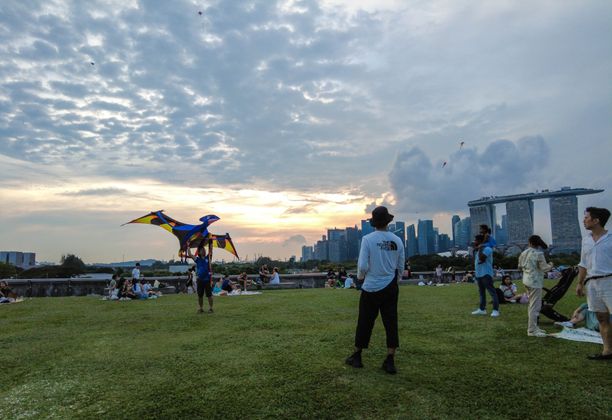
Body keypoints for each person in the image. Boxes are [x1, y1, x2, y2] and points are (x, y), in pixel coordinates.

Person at [345, 206, 405, 375]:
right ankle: (390, 360)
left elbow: (363, 265)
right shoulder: (397, 241)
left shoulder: (368, 239)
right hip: (390, 286)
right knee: (391, 322)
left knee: (365, 321)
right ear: (387, 222)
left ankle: (357, 356)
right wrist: (396, 281)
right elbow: (401, 266)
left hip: (371, 286)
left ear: (374, 222)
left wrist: (361, 277)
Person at [575, 207, 612, 360]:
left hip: (609, 280)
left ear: (596, 220)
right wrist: (579, 283)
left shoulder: (611, 237)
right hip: (592, 284)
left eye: (586, 218)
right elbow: (583, 263)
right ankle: (608, 351)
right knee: (602, 318)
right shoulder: (586, 240)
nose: (584, 220)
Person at [518, 235, 553, 337]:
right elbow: (545, 268)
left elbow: (519, 267)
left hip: (526, 280)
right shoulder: (538, 254)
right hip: (535, 282)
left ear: (529, 243)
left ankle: (534, 327)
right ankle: (532, 330)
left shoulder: (523, 253)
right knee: (535, 307)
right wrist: (551, 265)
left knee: (531, 306)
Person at [471, 234, 500, 317]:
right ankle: (482, 309)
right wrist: (477, 249)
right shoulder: (478, 250)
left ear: (480, 241)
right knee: (481, 293)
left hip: (486, 274)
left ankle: (495, 310)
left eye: (476, 240)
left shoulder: (488, 249)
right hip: (479, 274)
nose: (474, 242)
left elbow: (481, 258)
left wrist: (480, 248)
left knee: (492, 293)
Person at [187, 244, 213, 314]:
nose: (204, 250)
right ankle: (201, 308)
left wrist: (211, 242)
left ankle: (211, 308)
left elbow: (211, 250)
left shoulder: (208, 258)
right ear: (199, 252)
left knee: (209, 295)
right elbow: (190, 254)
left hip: (207, 280)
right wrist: (188, 246)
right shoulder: (197, 259)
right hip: (200, 280)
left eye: (204, 249)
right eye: (202, 250)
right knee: (200, 296)